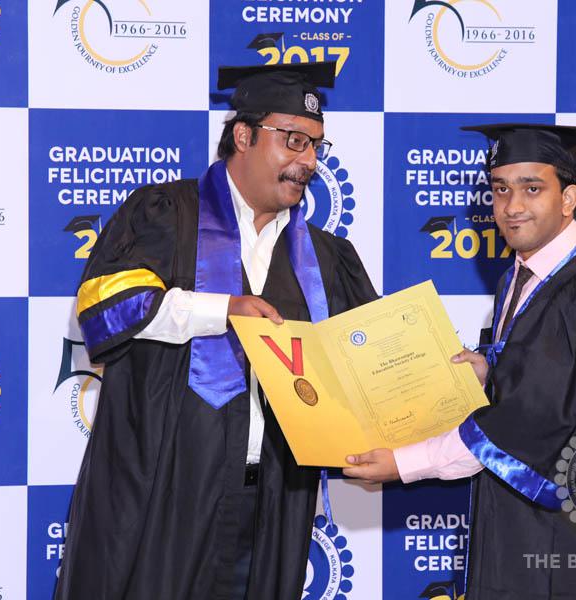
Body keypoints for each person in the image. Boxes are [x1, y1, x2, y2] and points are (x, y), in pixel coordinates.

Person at [53, 61, 378, 600]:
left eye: (317, 146)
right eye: (294, 140)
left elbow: (365, 362)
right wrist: (221, 310)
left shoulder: (326, 258)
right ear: (243, 136)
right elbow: (105, 308)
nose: (309, 161)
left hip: (276, 499)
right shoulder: (165, 216)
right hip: (164, 493)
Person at [343, 124, 576, 599]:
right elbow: (556, 380)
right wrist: (492, 373)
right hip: (530, 520)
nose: (511, 206)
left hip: (568, 536)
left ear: (568, 198)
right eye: (500, 189)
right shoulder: (522, 275)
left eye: (532, 189)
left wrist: (407, 462)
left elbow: (533, 415)